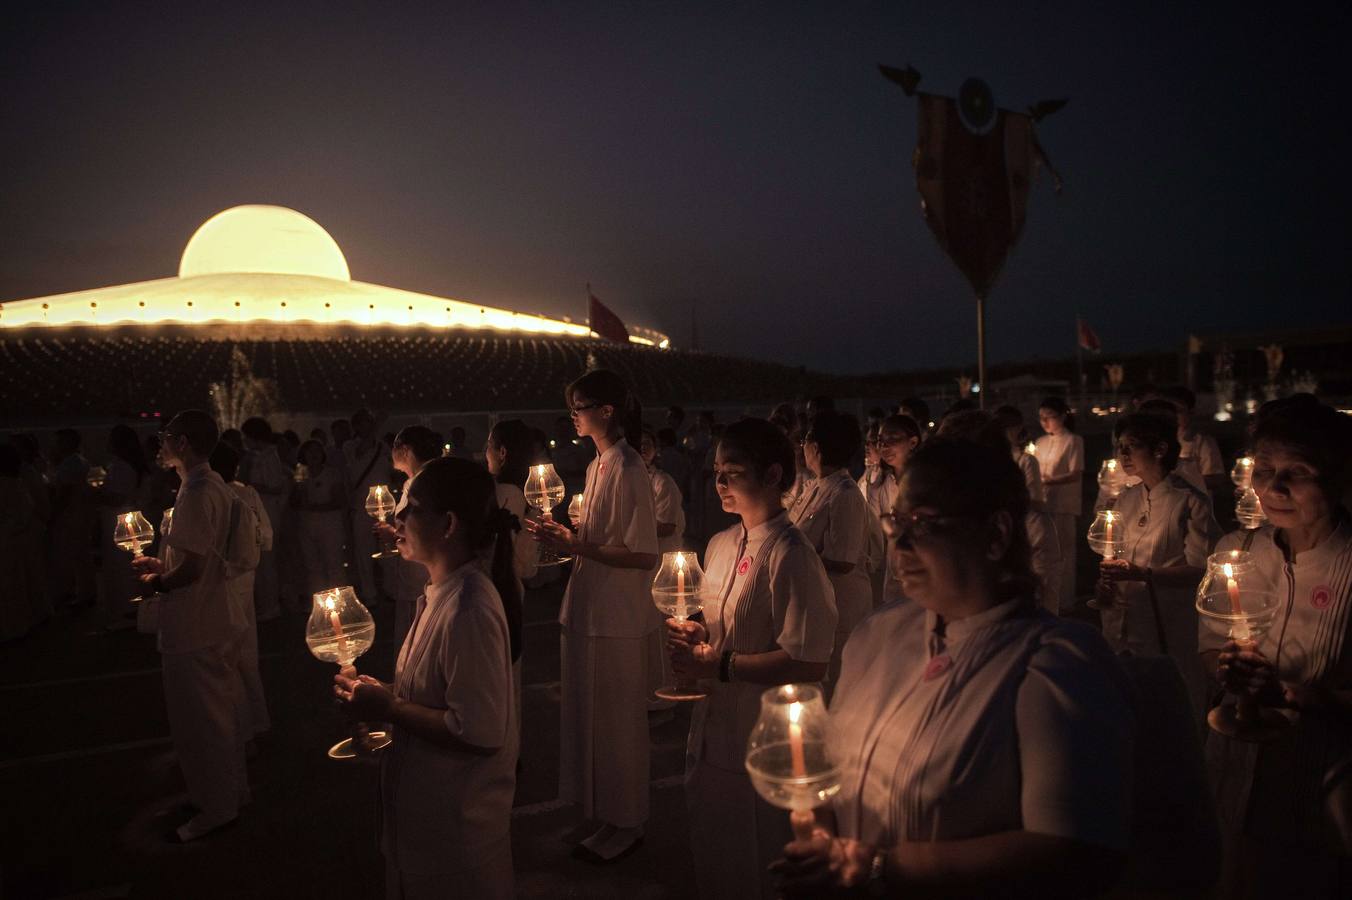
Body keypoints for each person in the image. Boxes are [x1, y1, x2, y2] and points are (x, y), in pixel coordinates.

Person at [773, 437, 1133, 898]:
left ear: (997, 534)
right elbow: (829, 765)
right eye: (896, 521)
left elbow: (1076, 852)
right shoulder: (875, 635)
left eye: (922, 523)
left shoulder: (1056, 664)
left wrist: (884, 865)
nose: (899, 542)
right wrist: (823, 837)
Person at [335, 457, 519, 899]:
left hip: (456, 839)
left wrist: (390, 708)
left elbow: (478, 729)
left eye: (410, 508)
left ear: (448, 523)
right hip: (427, 826)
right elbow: (437, 695)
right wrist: (385, 692)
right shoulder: (441, 594)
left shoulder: (468, 608)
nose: (395, 518)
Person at [667, 417, 836, 900]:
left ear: (774, 476)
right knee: (717, 852)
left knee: (758, 858)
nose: (719, 482)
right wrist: (701, 634)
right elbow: (724, 630)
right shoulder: (721, 545)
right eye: (717, 471)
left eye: (733, 471)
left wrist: (719, 665)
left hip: (763, 732)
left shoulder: (792, 554)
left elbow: (808, 662)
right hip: (715, 723)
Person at [1201, 395, 1352, 897]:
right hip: (1235, 771)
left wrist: (1316, 698)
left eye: (1298, 471)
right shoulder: (1237, 553)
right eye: (1264, 469)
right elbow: (1210, 646)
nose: (1275, 487)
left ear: (1338, 476)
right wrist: (1228, 671)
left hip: (1323, 782)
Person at [527, 369, 659, 863]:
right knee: (592, 721)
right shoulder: (597, 466)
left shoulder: (627, 466)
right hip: (589, 605)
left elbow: (644, 553)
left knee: (620, 723)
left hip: (618, 615)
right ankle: (605, 814)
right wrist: (568, 537)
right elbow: (600, 538)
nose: (574, 416)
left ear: (607, 410)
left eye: (580, 406)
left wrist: (575, 543)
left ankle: (630, 821)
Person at [132, 410, 248, 842]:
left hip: (195, 623)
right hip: (213, 616)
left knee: (201, 723)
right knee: (221, 714)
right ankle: (230, 792)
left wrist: (158, 580)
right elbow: (200, 556)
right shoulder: (208, 485)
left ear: (182, 443)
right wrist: (164, 564)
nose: (160, 444)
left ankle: (216, 807)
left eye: (165, 437)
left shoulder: (198, 491)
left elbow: (194, 568)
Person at [1094, 412, 1219, 720]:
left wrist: (1144, 574)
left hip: (1168, 622)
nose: (1122, 455)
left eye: (1131, 446)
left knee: (1172, 709)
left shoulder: (1190, 502)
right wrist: (1108, 583)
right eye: (1119, 446)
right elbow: (1118, 554)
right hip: (1124, 623)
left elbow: (1201, 569)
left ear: (1160, 449)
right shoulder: (1127, 499)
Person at [788, 411, 869, 697]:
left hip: (839, 605)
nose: (802, 447)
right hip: (814, 601)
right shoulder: (815, 486)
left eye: (806, 440)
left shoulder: (844, 493)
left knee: (836, 684)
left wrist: (790, 557)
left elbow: (844, 560)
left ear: (818, 448)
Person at [209, 442, 272, 743]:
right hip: (245, 579)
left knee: (225, 654)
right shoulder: (247, 494)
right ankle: (258, 719)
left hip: (218, 581)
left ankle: (240, 727)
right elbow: (266, 539)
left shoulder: (208, 496)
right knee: (247, 651)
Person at [483, 418, 540, 744]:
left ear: (502, 452)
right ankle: (509, 748)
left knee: (495, 678)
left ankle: (500, 748)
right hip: (511, 592)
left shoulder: (504, 494)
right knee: (509, 676)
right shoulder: (521, 491)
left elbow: (512, 560)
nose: (484, 452)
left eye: (488, 445)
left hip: (498, 592)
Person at [379, 425, 444, 649]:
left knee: (418, 634)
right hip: (424, 565)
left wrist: (393, 533)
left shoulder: (421, 483)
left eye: (394, 448)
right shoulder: (424, 479)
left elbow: (420, 527)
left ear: (405, 450)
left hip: (421, 569)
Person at [994, 405, 1061, 614]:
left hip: (1020, 531)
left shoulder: (1012, 461)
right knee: (1042, 593)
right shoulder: (1020, 460)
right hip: (1028, 530)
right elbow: (1036, 500)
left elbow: (1032, 501)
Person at [640, 426, 687, 716]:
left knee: (661, 626)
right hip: (643, 564)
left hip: (661, 562)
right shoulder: (635, 479)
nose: (643, 448)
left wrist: (625, 530)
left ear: (657, 449)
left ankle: (666, 692)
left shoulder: (663, 482)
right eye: (639, 444)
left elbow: (667, 524)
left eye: (648, 443)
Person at [93, 424, 151, 628]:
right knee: (125, 564)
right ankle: (128, 610)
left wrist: (97, 493)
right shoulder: (129, 465)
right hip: (125, 518)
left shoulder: (122, 467)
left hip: (118, 519)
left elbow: (117, 497)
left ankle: (126, 612)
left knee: (120, 566)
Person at [1035, 397, 1084, 612]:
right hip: (1043, 504)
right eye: (1041, 418)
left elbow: (1076, 473)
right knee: (1045, 553)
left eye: (1050, 417)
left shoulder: (1073, 441)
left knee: (1064, 552)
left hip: (1064, 503)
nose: (1045, 422)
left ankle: (1065, 602)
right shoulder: (1040, 442)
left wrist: (1047, 480)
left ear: (1063, 416)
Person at [239, 417, 290, 621]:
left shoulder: (268, 456)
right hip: (263, 511)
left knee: (266, 560)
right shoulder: (262, 456)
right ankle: (267, 603)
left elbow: (276, 485)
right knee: (264, 560)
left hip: (267, 512)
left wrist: (252, 485)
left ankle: (270, 605)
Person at [871, 414, 921, 606]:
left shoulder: (924, 482)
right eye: (881, 441)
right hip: (893, 578)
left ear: (913, 442)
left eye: (893, 439)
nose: (885, 446)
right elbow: (876, 528)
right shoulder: (882, 483)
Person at [344, 409, 393, 602]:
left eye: (369, 423)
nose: (369, 426)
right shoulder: (349, 446)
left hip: (384, 506)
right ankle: (369, 592)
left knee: (388, 547)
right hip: (362, 506)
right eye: (364, 423)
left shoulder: (383, 447)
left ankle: (390, 588)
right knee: (363, 551)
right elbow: (359, 453)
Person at [47, 428, 94, 607]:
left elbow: (64, 494)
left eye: (58, 442)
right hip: (80, 513)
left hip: (71, 515)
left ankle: (79, 594)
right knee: (81, 555)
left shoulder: (69, 463)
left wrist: (54, 514)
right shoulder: (79, 461)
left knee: (74, 555)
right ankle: (85, 592)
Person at [293, 440, 347, 596]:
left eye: (317, 451)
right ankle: (319, 603)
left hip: (330, 525)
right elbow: (295, 501)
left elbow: (339, 500)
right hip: (307, 525)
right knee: (312, 565)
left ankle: (339, 601)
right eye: (310, 452)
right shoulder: (301, 474)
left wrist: (316, 507)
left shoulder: (331, 473)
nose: (314, 455)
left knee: (334, 564)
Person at [1, 443, 37, 641]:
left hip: (8, 540)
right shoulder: (17, 483)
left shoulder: (8, 485)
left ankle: (13, 628)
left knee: (10, 586)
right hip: (15, 539)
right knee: (17, 583)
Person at [1162, 386, 1226, 497]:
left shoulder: (1202, 442)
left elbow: (1216, 478)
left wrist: (1184, 483)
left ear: (1190, 412)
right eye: (1169, 410)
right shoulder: (1159, 440)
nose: (1173, 415)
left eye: (1179, 411)